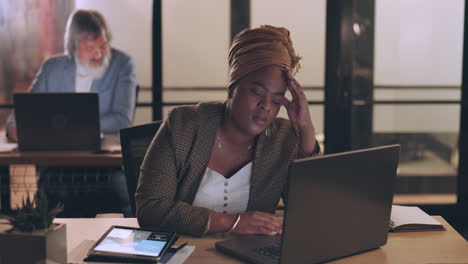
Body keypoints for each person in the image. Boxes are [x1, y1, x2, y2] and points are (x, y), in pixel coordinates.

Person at [136, 25, 320, 236]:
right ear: (233, 87)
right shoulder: (184, 124)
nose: (266, 106)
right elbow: (150, 209)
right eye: (257, 92)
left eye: (277, 99)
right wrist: (231, 222)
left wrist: (305, 129)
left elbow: (312, 212)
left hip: (248, 255)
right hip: (184, 252)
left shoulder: (282, 138)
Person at [5, 9, 137, 217]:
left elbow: (122, 120)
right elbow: (19, 116)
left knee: (124, 196)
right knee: (27, 202)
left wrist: (70, 127)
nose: (99, 54)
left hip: (105, 163)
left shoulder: (122, 64)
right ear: (73, 48)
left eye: (103, 45)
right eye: (90, 47)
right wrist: (15, 130)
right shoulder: (52, 68)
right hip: (56, 163)